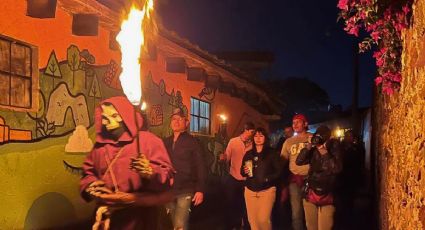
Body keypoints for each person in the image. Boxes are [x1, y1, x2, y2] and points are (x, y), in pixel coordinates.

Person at [80, 96, 175, 230]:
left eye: (114, 116)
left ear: (125, 115)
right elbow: (88, 173)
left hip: (141, 217)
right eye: (105, 118)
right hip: (108, 217)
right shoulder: (99, 147)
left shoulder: (149, 141)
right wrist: (90, 186)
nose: (107, 122)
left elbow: (167, 176)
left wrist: (150, 171)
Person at [163, 108, 207, 230]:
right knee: (172, 223)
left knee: (180, 225)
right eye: (174, 119)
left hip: (186, 189)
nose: (176, 121)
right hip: (168, 189)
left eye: (180, 119)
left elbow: (200, 166)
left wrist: (200, 189)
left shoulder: (193, 142)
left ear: (186, 123)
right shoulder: (165, 142)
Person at [296, 125, 342, 230]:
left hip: (327, 192)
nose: (318, 139)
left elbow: (336, 168)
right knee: (311, 226)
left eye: (321, 137)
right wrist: (307, 147)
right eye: (316, 136)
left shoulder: (334, 146)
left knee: (325, 227)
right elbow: (298, 161)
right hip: (311, 191)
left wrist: (322, 149)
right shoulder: (312, 148)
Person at [241, 128, 283, 230]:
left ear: (265, 138)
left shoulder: (272, 153)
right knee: (252, 221)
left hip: (267, 191)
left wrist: (267, 179)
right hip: (250, 191)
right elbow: (241, 172)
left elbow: (279, 172)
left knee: (263, 219)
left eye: (261, 136)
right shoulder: (248, 154)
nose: (258, 139)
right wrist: (244, 171)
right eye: (255, 136)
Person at [220, 122, 256, 230]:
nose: (253, 134)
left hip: (248, 179)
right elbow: (227, 156)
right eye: (252, 132)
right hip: (234, 177)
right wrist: (223, 157)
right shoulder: (233, 141)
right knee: (231, 203)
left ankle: (245, 225)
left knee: (246, 204)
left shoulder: (253, 144)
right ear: (246, 130)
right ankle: (232, 225)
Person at [280, 114, 312, 230]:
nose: (295, 125)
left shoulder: (312, 137)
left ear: (305, 124)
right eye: (294, 123)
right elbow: (282, 161)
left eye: (299, 122)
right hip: (294, 180)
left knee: (310, 213)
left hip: (311, 180)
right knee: (296, 213)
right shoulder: (288, 142)